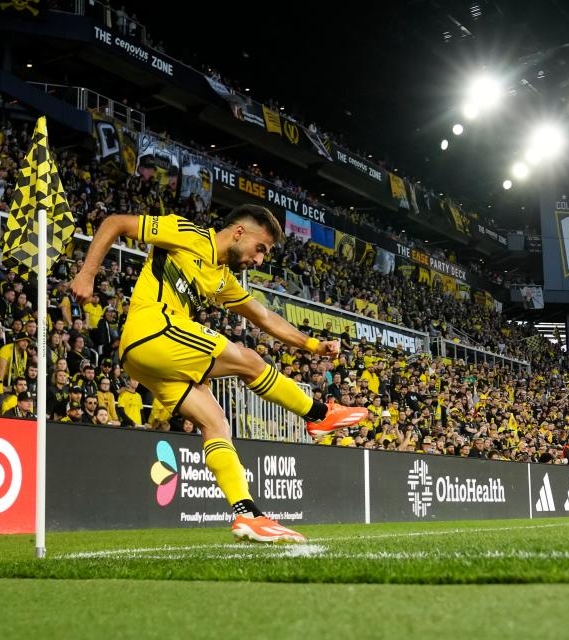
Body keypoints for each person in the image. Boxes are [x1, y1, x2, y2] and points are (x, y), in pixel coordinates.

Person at [70, 205, 367, 543]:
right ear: (239, 232)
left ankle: (247, 515)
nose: (259, 260)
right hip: (151, 330)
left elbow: (264, 317)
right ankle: (319, 415)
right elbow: (117, 223)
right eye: (261, 249)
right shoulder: (186, 233)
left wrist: (313, 345)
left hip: (148, 359)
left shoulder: (221, 279)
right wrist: (88, 272)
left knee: (216, 422)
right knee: (249, 360)